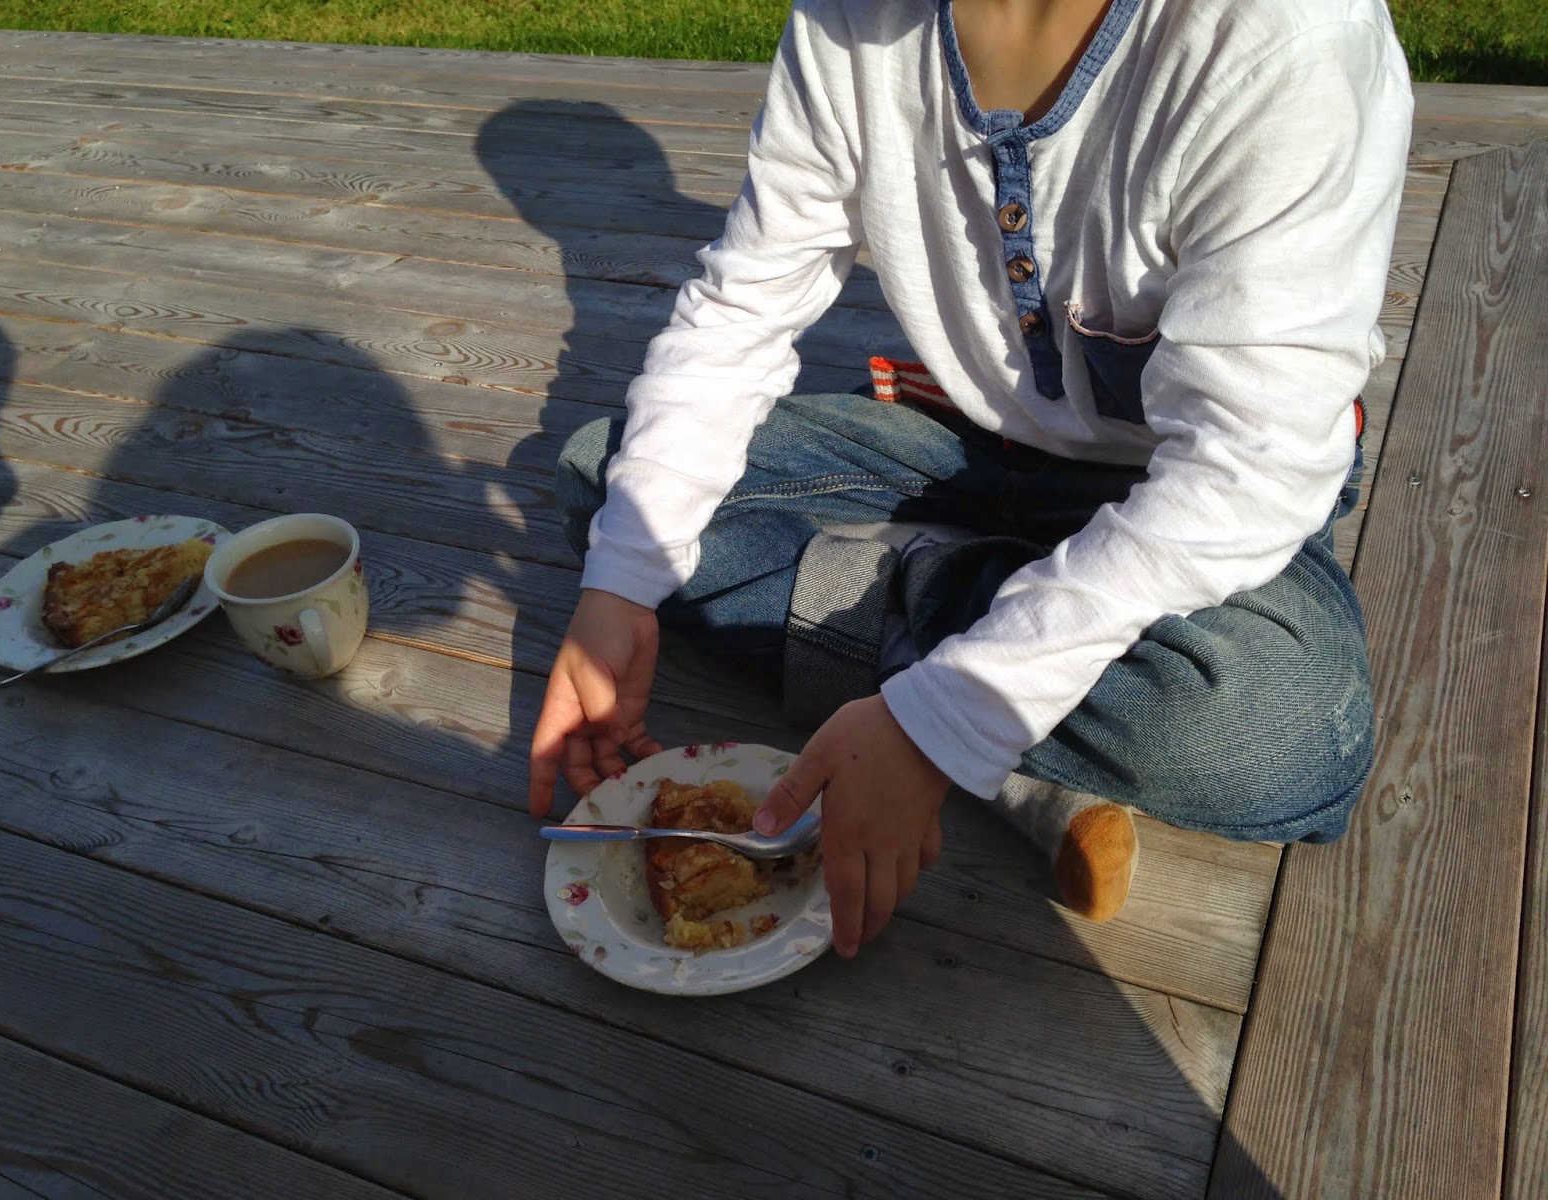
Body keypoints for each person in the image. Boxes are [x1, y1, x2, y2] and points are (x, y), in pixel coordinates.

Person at [528, 0, 1413, 959]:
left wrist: (937, 723)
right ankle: (1008, 711)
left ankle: (946, 680)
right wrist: (620, 587)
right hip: (962, 445)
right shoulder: (849, 18)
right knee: (609, 488)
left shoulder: (1283, 38)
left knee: (1286, 728)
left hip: (1193, 496)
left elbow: (1249, 467)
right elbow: (742, 310)